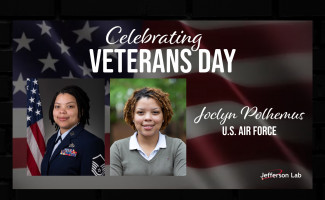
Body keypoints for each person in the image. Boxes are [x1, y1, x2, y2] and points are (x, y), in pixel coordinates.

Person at [110, 87, 186, 176]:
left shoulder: (177, 147)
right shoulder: (118, 149)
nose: (148, 118)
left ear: (163, 117)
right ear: (133, 117)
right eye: (141, 112)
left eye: (155, 112)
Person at [41, 85, 105, 176]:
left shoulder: (92, 143)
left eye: (70, 106)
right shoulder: (51, 140)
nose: (62, 111)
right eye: (57, 106)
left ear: (81, 111)